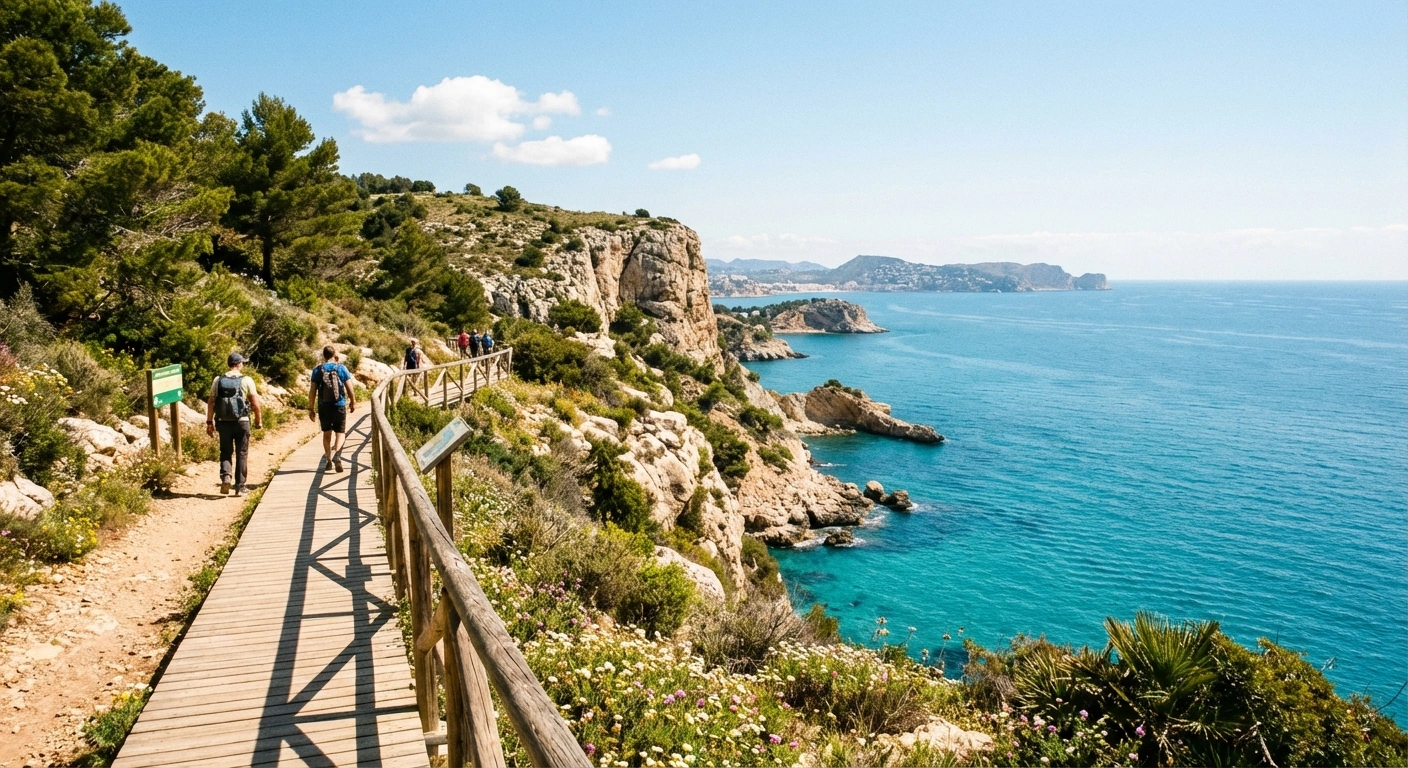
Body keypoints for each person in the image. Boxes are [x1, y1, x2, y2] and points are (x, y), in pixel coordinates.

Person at [206, 352, 262, 496]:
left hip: (223, 422)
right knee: (242, 453)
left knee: (225, 451)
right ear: (239, 364)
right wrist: (258, 420)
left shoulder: (218, 380)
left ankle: (226, 477)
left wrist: (209, 422)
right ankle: (240, 487)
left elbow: (211, 402)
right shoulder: (247, 380)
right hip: (242, 422)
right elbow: (255, 403)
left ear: (229, 364)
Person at [308, 345, 355, 472]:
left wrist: (310, 408)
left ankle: (328, 459)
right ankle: (337, 455)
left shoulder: (317, 370)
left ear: (324, 356)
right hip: (339, 405)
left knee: (326, 433)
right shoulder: (341, 368)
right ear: (335, 355)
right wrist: (353, 402)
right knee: (340, 433)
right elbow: (349, 387)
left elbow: (312, 391)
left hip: (323, 406)